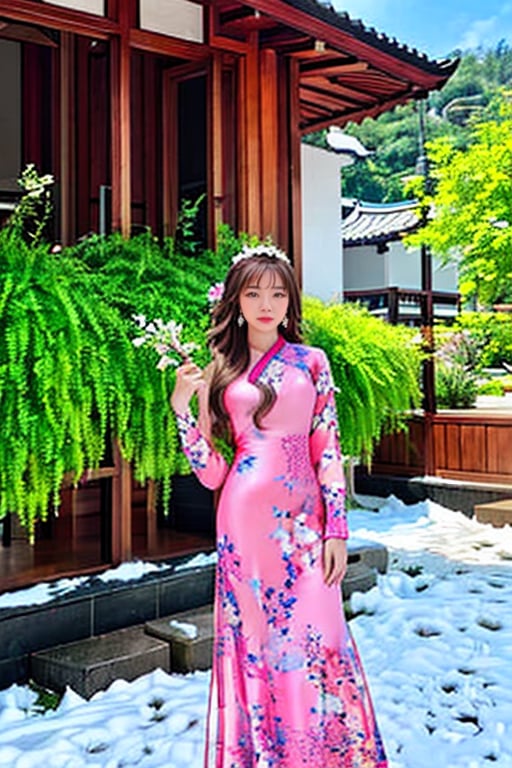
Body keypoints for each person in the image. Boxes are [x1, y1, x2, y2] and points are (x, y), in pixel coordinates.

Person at [171, 244, 387, 768]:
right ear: (235, 301)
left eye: (277, 292)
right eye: (253, 292)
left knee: (320, 633)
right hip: (242, 521)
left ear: (290, 301)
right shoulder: (218, 369)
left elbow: (328, 448)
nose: (266, 303)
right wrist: (182, 411)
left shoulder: (312, 361)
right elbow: (213, 473)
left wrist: (337, 528)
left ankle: (320, 755)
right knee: (257, 641)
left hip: (306, 523)